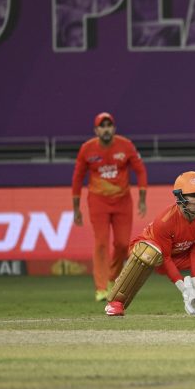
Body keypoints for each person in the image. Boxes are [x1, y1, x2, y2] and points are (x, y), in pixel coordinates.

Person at [104, 171, 195, 316]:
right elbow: (166, 257)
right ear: (180, 197)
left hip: (182, 254)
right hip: (155, 254)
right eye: (194, 195)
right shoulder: (164, 222)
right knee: (149, 253)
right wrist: (184, 288)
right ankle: (116, 302)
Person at [72, 113, 148, 302]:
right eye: (102, 126)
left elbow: (140, 170)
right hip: (98, 201)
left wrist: (142, 198)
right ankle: (101, 288)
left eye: (109, 125)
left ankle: (113, 278)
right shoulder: (87, 149)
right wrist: (76, 208)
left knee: (123, 244)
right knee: (101, 243)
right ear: (96, 130)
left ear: (113, 128)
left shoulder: (126, 145)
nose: (106, 128)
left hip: (123, 201)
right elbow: (77, 178)